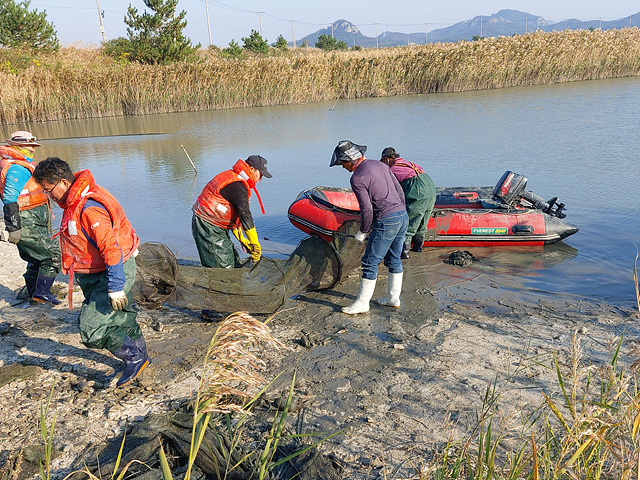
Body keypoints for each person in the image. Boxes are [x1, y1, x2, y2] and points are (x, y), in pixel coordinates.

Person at [32, 157, 150, 388]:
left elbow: (110, 246)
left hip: (111, 272)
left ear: (64, 183)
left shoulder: (88, 206)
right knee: (122, 315)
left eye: (49, 191)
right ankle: (141, 357)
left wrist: (116, 286)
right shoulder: (76, 198)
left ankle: (135, 358)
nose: (49, 197)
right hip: (96, 273)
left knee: (91, 329)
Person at [330, 140, 408, 314]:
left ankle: (362, 303)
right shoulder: (380, 165)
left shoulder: (357, 178)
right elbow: (399, 191)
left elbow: (367, 209)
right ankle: (392, 298)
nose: (342, 167)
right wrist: (401, 212)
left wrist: (363, 231)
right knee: (394, 259)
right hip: (402, 216)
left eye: (343, 163)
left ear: (351, 160)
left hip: (386, 220)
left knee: (369, 262)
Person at [0, 131, 61, 304]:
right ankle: (41, 293)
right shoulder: (17, 168)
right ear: (17, 146)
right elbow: (9, 197)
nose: (32, 150)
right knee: (53, 255)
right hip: (27, 220)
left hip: (32, 217)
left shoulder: (18, 164)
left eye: (33, 146)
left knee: (35, 258)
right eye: (29, 146)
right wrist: (13, 227)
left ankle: (31, 293)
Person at [192, 155, 272, 269]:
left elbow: (235, 216)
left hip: (215, 224)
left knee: (234, 262)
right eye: (261, 174)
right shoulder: (238, 186)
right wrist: (255, 244)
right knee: (224, 268)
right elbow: (245, 216)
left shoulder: (234, 176)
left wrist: (242, 239)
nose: (260, 179)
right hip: (207, 225)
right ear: (253, 169)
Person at [380, 147, 437, 259]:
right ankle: (418, 248)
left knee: (409, 223)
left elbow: (388, 189)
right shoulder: (409, 163)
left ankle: (403, 254)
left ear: (387, 159)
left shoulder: (393, 169)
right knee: (422, 222)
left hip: (418, 191)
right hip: (431, 189)